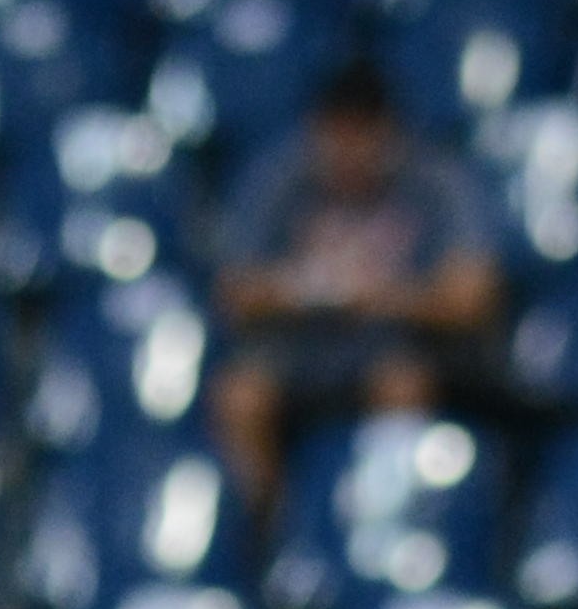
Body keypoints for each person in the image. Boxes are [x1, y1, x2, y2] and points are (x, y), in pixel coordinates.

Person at [206, 62, 500, 508]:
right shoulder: (281, 176)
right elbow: (233, 294)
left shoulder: (437, 181)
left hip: (392, 344)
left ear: (390, 134)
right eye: (335, 135)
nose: (348, 151)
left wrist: (382, 298)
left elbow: (471, 299)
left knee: (402, 385)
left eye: (362, 136)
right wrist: (301, 291)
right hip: (299, 347)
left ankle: (383, 528)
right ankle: (269, 540)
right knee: (240, 394)